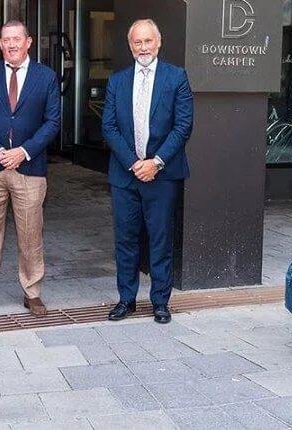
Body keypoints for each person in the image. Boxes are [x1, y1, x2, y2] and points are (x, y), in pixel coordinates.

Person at [0, 20, 60, 318]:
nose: (12, 44)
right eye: (6, 40)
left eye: (17, 39)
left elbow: (53, 122)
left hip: (30, 169)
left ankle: (32, 293)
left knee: (31, 234)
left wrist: (23, 151)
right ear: (0, 44)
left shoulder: (46, 77)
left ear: (28, 42)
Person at [102, 19, 193, 324]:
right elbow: (109, 127)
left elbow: (183, 126)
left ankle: (160, 302)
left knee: (160, 238)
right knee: (125, 240)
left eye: (147, 41)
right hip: (125, 174)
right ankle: (126, 300)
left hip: (162, 175)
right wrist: (133, 162)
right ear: (130, 46)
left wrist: (155, 162)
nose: (143, 47)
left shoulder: (176, 77)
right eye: (137, 42)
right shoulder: (117, 81)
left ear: (159, 42)